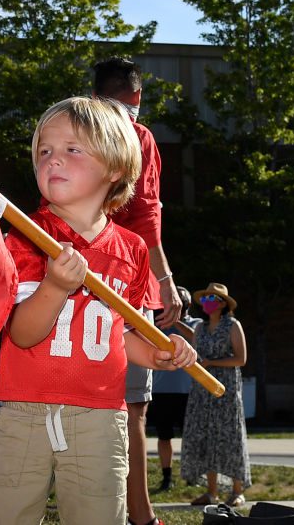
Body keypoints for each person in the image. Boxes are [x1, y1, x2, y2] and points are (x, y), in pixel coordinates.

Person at [0, 97, 196, 525]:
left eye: (72, 149)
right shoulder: (25, 236)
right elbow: (21, 334)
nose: (53, 159)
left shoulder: (132, 249)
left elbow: (123, 334)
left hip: (101, 417)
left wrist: (157, 354)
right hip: (25, 411)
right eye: (44, 151)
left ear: (115, 168)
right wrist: (56, 286)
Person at [93, 57, 182, 525]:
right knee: (132, 407)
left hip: (69, 279)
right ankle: (140, 517)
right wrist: (164, 283)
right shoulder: (138, 137)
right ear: (137, 98)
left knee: (69, 400)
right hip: (123, 284)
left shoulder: (68, 126)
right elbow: (146, 218)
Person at [180, 282, 250, 508]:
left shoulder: (232, 325)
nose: (208, 303)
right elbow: (194, 349)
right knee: (207, 436)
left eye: (213, 299)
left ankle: (237, 491)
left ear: (222, 304)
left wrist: (213, 362)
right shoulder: (200, 327)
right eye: (206, 299)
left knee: (231, 436)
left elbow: (240, 359)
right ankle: (212, 493)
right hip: (202, 391)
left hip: (226, 389)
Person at [147, 285, 202, 492]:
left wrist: (176, 320)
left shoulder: (196, 324)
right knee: (164, 436)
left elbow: (197, 339)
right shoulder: (159, 325)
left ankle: (193, 474)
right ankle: (166, 476)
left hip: (188, 391)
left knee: (192, 436)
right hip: (161, 390)